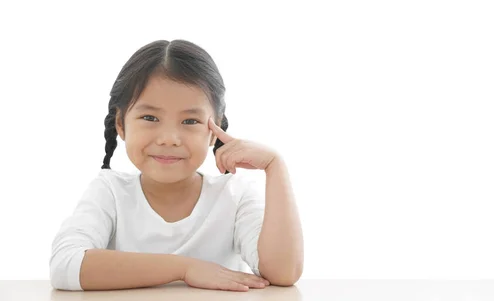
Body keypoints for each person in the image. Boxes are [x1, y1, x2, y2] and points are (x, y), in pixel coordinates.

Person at [49, 39, 304, 292]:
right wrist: (184, 269)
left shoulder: (234, 195)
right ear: (120, 124)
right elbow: (66, 265)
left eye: (190, 121)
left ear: (214, 130)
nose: (169, 139)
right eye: (150, 117)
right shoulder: (110, 191)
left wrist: (275, 167)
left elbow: (284, 272)